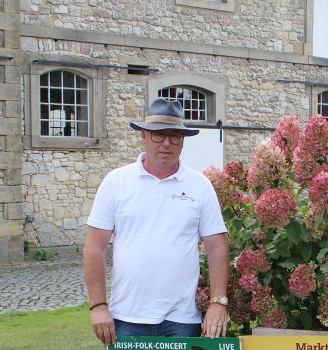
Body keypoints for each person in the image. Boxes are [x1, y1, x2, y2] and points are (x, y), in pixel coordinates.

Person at [83, 98, 229, 347]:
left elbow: (218, 247)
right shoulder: (116, 182)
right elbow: (94, 247)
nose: (166, 144)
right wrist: (97, 306)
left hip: (182, 320)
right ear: (143, 135)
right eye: (159, 135)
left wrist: (218, 302)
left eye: (175, 137)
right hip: (126, 319)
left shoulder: (199, 185)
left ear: (183, 141)